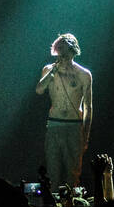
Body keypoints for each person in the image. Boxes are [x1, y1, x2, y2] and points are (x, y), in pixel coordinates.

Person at [36, 33, 93, 191]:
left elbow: (88, 107)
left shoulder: (84, 74)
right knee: (52, 171)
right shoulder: (49, 70)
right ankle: (53, 202)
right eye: (59, 49)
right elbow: (39, 90)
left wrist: (85, 134)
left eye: (64, 49)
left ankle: (71, 203)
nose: (62, 53)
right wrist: (53, 71)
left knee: (72, 173)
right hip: (54, 124)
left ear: (72, 50)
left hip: (74, 126)